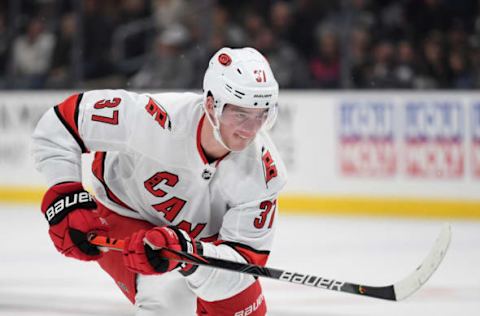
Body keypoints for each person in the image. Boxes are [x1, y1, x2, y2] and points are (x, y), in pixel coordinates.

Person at [32, 47, 287, 315]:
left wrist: (189, 257)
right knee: (169, 299)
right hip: (122, 215)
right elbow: (60, 125)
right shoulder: (154, 117)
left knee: (245, 311)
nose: (250, 130)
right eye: (240, 114)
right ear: (212, 105)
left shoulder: (265, 174)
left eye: (261, 114)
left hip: (196, 241)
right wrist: (65, 195)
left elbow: (240, 270)